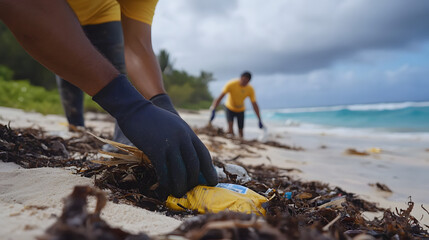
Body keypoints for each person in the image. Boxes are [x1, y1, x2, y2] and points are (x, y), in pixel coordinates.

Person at [0, 0, 218, 199]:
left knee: (113, 71)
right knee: (76, 71)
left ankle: (123, 143)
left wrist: (160, 102)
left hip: (99, 10)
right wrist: (129, 105)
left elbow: (137, 46)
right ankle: (75, 126)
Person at [210, 71, 264, 138]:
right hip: (229, 107)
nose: (244, 82)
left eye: (246, 81)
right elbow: (220, 97)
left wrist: (259, 119)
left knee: (241, 131)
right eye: (243, 80)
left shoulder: (250, 89)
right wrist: (213, 108)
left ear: (249, 81)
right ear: (240, 78)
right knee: (230, 128)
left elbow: (254, 104)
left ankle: (240, 141)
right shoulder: (231, 84)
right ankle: (230, 137)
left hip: (240, 109)